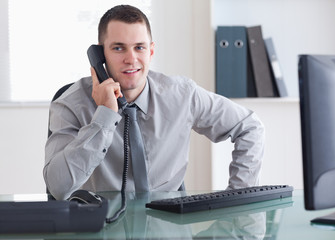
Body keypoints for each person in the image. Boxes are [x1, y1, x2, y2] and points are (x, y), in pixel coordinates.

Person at [44, 5, 265, 200]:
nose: (131, 58)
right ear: (100, 55)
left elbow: (250, 127)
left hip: (168, 226)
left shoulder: (181, 95)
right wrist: (104, 117)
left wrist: (237, 195)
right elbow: (58, 188)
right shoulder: (71, 104)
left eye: (139, 47)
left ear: (150, 51)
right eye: (118, 48)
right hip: (101, 225)